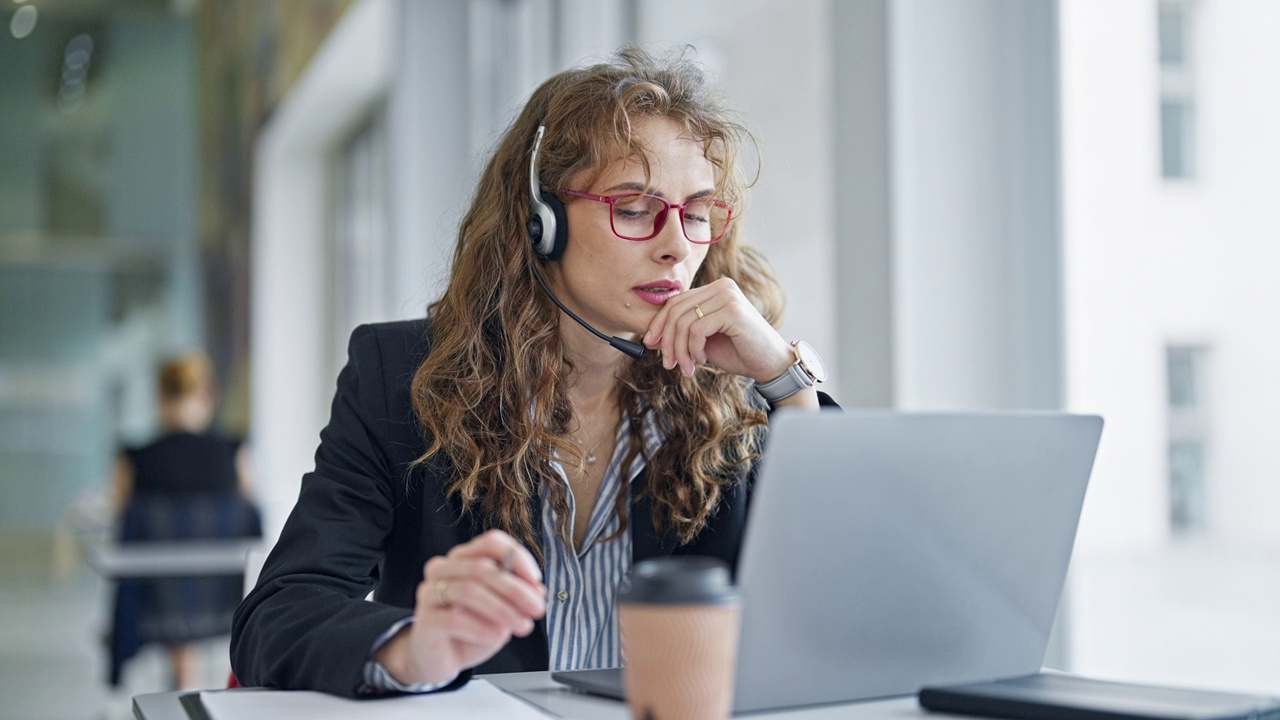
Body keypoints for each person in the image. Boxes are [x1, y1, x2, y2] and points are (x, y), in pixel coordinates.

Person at [230, 47, 836, 697]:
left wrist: (785, 382)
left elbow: (837, 611)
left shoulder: (737, 391)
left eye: (695, 212)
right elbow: (280, 612)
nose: (677, 244)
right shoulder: (402, 376)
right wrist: (415, 649)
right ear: (539, 221)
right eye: (633, 208)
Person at [109, 352, 261, 689]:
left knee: (169, 576)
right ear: (209, 395)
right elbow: (252, 520)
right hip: (224, 599)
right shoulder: (235, 453)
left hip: (159, 605)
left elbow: (122, 525)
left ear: (159, 396)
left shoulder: (134, 459)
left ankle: (182, 682)